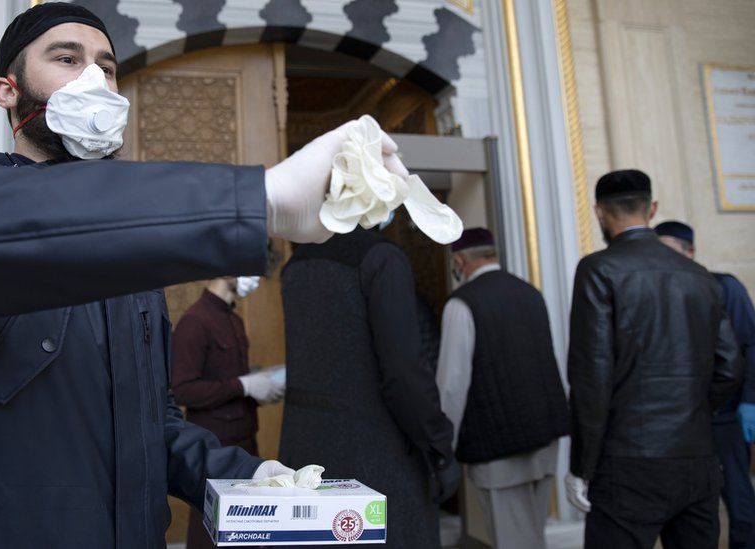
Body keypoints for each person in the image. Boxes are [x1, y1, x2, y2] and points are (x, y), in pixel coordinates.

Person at [0, 4, 409, 547]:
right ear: (8, 91)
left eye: (106, 65)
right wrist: (255, 200)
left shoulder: (132, 255)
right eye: (66, 58)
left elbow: (151, 424)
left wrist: (248, 477)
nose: (94, 78)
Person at [565, 170, 742, 549]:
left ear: (599, 213)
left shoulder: (598, 269)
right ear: (652, 208)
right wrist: (690, 412)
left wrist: (581, 466)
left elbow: (590, 379)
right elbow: (729, 366)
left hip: (627, 464)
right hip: (697, 459)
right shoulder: (699, 275)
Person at [278, 227, 460, 549]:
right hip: (376, 456)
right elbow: (403, 374)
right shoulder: (380, 259)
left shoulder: (296, 264)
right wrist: (439, 447)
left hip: (306, 453)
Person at [436, 227, 568, 549]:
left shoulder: (462, 304)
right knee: (533, 535)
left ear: (458, 260)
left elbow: (452, 385)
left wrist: (442, 445)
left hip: (496, 448)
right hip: (544, 437)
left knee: (511, 540)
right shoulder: (529, 292)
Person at [655, 220, 755, 549]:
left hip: (725, 415)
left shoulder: (724, 286)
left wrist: (750, 401)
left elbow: (751, 345)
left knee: (738, 499)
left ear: (691, 250)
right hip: (681, 422)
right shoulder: (657, 294)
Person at [171, 275, 284, 549]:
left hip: (245, 442)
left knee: (243, 535)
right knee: (209, 535)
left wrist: (259, 389)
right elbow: (182, 390)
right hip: (214, 449)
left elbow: (230, 385)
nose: (255, 277)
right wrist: (243, 385)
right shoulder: (195, 321)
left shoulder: (233, 320)